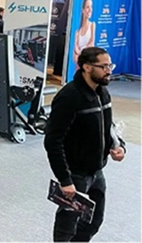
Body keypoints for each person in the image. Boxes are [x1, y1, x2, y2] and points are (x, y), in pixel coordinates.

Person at [44, 47, 125, 242]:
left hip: (97, 171)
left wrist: (119, 145)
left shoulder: (103, 93)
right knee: (66, 226)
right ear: (87, 67)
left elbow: (109, 127)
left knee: (93, 222)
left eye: (110, 66)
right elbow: (53, 140)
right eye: (104, 66)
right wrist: (65, 180)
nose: (109, 71)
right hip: (75, 174)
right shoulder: (69, 97)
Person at [73, 0, 95, 69]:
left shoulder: (92, 25)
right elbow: (75, 55)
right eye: (87, 7)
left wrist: (80, 53)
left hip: (88, 64)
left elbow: (91, 44)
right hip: (79, 67)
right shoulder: (77, 32)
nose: (90, 10)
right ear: (83, 10)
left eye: (91, 7)